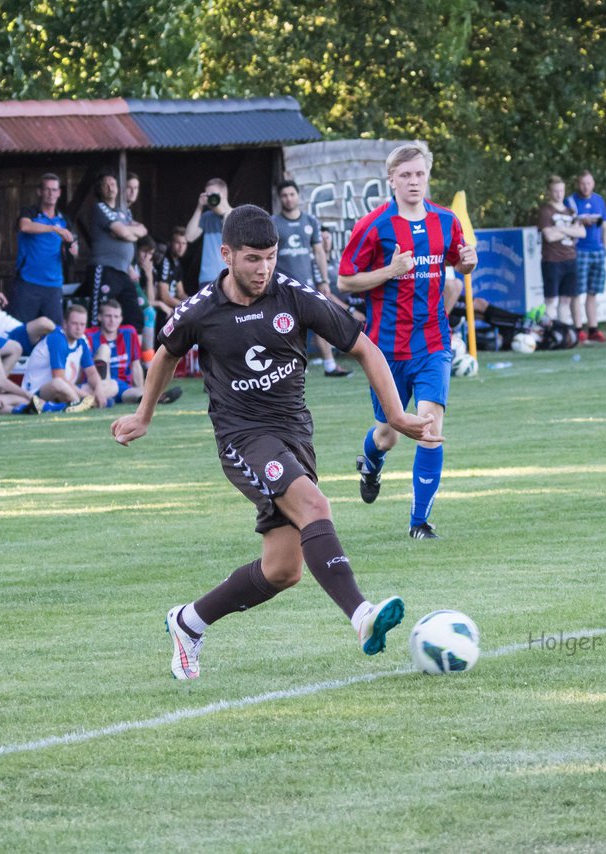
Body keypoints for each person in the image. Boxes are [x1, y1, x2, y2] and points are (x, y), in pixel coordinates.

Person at [112, 205, 441, 680]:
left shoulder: (293, 296)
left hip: (294, 435)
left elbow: (363, 347)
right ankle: (361, 616)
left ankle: (188, 622)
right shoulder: (202, 310)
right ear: (226, 255)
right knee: (314, 504)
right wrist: (144, 415)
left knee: (283, 570)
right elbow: (165, 354)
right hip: (242, 438)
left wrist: (395, 414)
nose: (263, 268)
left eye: (269, 256)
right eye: (251, 259)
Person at [338, 143, 477, 540]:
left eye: (419, 174)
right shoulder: (373, 225)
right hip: (385, 349)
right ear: (391, 180)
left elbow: (460, 262)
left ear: (427, 175)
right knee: (390, 434)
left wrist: (468, 262)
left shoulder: (446, 221)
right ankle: (371, 460)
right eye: (405, 175)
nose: (413, 182)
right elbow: (345, 280)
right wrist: (389, 270)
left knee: (430, 427)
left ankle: (420, 522)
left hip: (434, 341)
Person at [273, 180, 354, 378]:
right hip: (282, 286)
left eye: (292, 194)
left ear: (298, 196)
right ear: (280, 198)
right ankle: (294, 367)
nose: (288, 198)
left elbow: (318, 252)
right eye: (284, 195)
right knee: (287, 326)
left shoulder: (310, 221)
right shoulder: (273, 222)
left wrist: (324, 280)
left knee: (320, 322)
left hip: (308, 284)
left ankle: (330, 365)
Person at [11, 173, 77, 326]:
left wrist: (73, 250)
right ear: (39, 191)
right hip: (28, 283)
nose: (50, 194)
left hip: (53, 286)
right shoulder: (30, 212)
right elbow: (24, 226)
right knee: (22, 331)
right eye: (47, 189)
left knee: (54, 333)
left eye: (54, 190)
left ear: (59, 193)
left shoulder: (64, 220)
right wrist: (54, 229)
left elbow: (73, 246)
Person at [84, 171, 147, 328]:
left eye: (113, 184)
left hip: (123, 271)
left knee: (135, 316)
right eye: (106, 185)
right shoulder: (100, 208)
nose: (110, 188)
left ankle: (133, 352)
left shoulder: (123, 212)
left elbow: (143, 230)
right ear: (100, 189)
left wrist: (129, 234)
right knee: (98, 315)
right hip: (104, 269)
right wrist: (129, 233)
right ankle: (95, 351)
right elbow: (124, 232)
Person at [21, 303, 107, 412]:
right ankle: (79, 403)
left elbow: (91, 373)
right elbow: (59, 377)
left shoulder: (81, 341)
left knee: (109, 385)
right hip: (37, 391)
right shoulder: (58, 339)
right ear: (65, 324)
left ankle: (76, 404)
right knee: (58, 383)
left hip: (66, 388)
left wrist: (99, 389)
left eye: (82, 324)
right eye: (75, 324)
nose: (78, 328)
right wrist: (87, 397)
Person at [565, 170, 606, 343]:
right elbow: (566, 224)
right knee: (577, 292)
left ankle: (593, 328)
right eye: (583, 183)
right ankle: (578, 329)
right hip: (579, 251)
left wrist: (605, 247)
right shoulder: (571, 201)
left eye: (589, 183)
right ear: (578, 184)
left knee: (593, 292)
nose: (586, 187)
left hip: (597, 251)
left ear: (593, 184)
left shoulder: (599, 200)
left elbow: (605, 225)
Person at [537, 175, 586, 332]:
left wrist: (561, 229)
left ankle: (564, 330)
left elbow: (582, 232)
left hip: (570, 259)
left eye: (561, 191)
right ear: (549, 192)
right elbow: (549, 236)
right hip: (552, 260)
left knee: (566, 299)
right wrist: (570, 231)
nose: (559, 194)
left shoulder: (570, 211)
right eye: (555, 191)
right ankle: (548, 332)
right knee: (551, 299)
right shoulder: (546, 212)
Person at [185, 177, 232, 291]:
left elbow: (229, 230)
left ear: (223, 194)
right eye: (207, 194)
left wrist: (220, 210)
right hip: (207, 277)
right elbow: (189, 237)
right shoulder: (207, 217)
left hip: (229, 276)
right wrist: (199, 207)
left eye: (213, 194)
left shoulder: (235, 214)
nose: (210, 197)